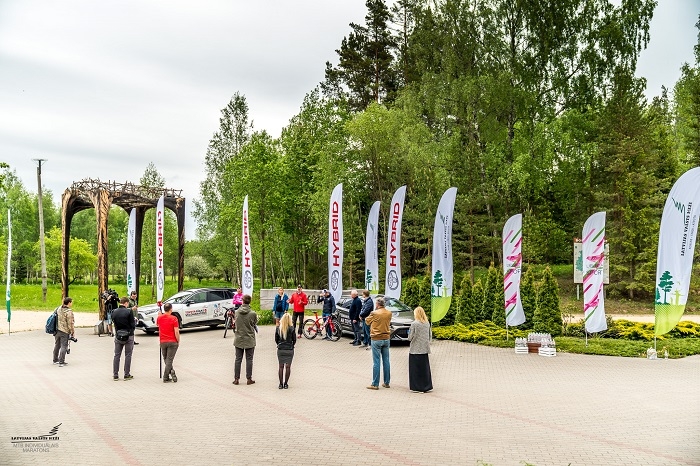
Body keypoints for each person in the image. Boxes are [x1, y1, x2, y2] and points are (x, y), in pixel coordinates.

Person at [365, 297, 392, 390]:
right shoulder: (389, 313)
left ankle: (375, 384)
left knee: (376, 362)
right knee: (386, 360)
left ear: (377, 304)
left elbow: (367, 321)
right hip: (386, 338)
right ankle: (387, 382)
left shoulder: (374, 313)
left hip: (376, 338)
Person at [233, 294, 258, 385]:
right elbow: (255, 323)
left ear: (242, 301)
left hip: (239, 338)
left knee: (238, 359)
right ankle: (249, 378)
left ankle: (236, 379)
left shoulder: (236, 312)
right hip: (249, 339)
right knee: (249, 359)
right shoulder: (253, 313)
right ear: (250, 302)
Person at [408, 306, 433, 393]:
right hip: (425, 349)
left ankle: (417, 387)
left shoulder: (414, 324)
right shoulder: (427, 323)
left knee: (415, 369)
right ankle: (427, 386)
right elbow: (430, 336)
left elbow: (410, 337)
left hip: (415, 349)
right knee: (424, 368)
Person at [112, 296, 136, 381]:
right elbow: (133, 324)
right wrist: (131, 330)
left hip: (118, 335)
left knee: (117, 355)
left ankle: (115, 374)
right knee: (128, 355)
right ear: (126, 303)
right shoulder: (129, 311)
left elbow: (114, 323)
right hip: (129, 335)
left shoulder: (114, 311)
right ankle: (126, 374)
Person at [157, 302, 180, 383]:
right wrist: (178, 340)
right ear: (171, 309)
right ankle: (166, 376)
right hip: (172, 341)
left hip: (163, 341)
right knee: (169, 360)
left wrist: (159, 315)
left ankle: (171, 371)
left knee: (166, 359)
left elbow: (157, 325)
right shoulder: (174, 318)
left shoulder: (159, 318)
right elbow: (176, 331)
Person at [274, 313, 296, 389]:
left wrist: (280, 345)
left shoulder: (278, 328)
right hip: (289, 349)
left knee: (280, 366)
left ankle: (280, 384)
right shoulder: (292, 328)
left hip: (281, 349)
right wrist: (291, 345)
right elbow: (294, 340)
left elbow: (276, 340)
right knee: (288, 367)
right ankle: (286, 384)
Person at [52, 297, 75, 367]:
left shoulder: (58, 309)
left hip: (57, 330)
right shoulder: (68, 312)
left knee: (57, 345)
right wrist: (72, 331)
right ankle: (61, 361)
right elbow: (70, 323)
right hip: (64, 331)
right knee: (64, 346)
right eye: (71, 302)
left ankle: (55, 360)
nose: (72, 303)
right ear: (69, 303)